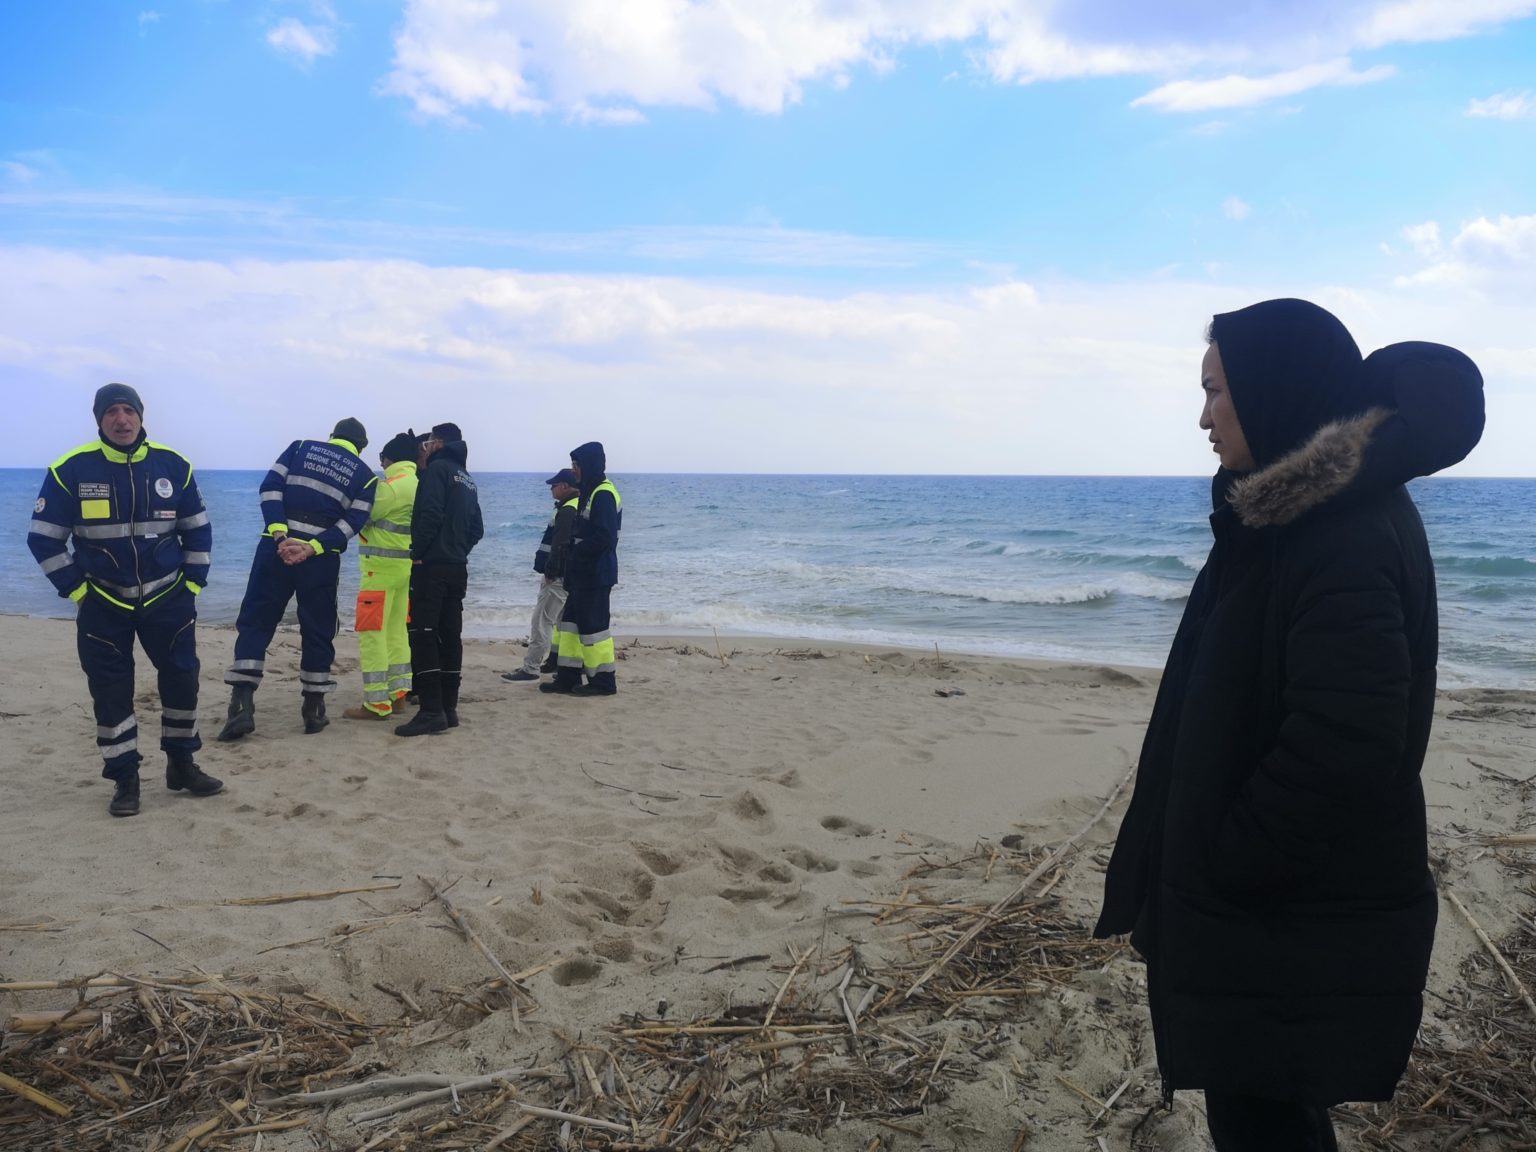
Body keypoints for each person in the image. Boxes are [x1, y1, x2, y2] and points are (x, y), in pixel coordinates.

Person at [1094, 300, 1485, 1151]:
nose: (1203, 417)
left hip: (1281, 901)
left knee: (1265, 1116)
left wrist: (1234, 859)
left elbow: (1349, 741)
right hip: (1272, 901)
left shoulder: (1338, 533)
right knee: (1265, 1105)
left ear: (1272, 389)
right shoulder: (1281, 521)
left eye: (1215, 391)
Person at [28, 384, 222, 816]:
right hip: (103, 604)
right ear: (99, 419)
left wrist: (193, 584)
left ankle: (182, 765)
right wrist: (78, 591)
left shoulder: (174, 466)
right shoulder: (69, 470)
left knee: (182, 680)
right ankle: (125, 780)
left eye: (128, 411)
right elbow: (43, 539)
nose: (121, 419)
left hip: (168, 599)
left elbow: (198, 531)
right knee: (111, 692)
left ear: (140, 415)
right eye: (112, 412)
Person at [218, 419, 376, 740]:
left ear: (331, 436)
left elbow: (269, 489)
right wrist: (312, 547)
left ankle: (241, 705)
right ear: (361, 448)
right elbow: (352, 524)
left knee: (256, 620)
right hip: (320, 560)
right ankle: (314, 710)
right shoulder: (366, 477)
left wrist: (280, 534)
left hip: (274, 550)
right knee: (318, 628)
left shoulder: (300, 448)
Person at [397, 422, 483, 736]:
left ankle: (431, 710)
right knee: (450, 634)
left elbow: (430, 514)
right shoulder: (467, 477)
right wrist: (458, 549)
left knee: (423, 634)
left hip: (432, 566)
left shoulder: (437, 470)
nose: (427, 446)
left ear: (439, 443)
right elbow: (477, 529)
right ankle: (449, 708)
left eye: (430, 441)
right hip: (457, 566)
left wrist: (419, 552)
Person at [343, 431, 421, 721]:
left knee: (372, 633)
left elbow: (360, 515)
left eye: (382, 458)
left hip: (379, 570)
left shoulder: (390, 488)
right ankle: (398, 695)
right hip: (402, 569)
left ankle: (376, 704)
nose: (381, 463)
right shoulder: (417, 483)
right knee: (396, 632)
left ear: (390, 458)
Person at [541, 442, 621, 696]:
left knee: (594, 629)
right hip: (580, 574)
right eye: (573, 464)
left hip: (596, 574)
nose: (573, 469)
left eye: (576, 465)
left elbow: (605, 537)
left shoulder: (603, 494)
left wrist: (575, 552)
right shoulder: (588, 491)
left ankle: (603, 682)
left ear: (589, 465)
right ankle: (567, 678)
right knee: (570, 627)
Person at [502, 469, 579, 683]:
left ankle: (531, 669)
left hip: (557, 577)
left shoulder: (567, 510)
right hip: (568, 576)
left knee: (541, 622)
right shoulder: (573, 506)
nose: (551, 489)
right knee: (561, 623)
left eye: (553, 486)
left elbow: (560, 545)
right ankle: (562, 664)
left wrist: (551, 572)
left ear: (564, 486)